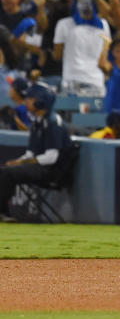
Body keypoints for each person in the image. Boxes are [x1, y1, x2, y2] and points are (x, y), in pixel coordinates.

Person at [0, 83, 74, 222]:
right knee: (5, 169)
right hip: (41, 167)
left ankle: (3, 212)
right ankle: (3, 212)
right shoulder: (38, 122)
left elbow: (51, 157)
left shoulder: (53, 122)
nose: (26, 101)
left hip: (52, 171)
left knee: (8, 173)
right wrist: (17, 161)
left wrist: (23, 163)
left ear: (41, 100)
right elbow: (30, 153)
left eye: (30, 98)